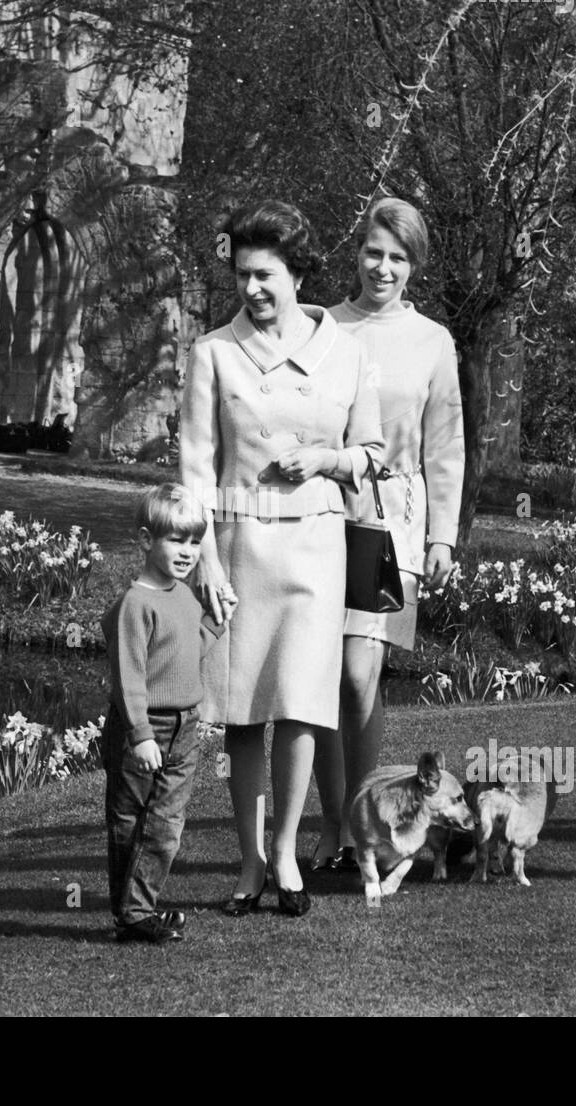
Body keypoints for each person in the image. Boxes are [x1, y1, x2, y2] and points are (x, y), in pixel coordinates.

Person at [179, 199, 384, 917]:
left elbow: (375, 455)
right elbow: (195, 470)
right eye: (241, 276)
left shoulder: (346, 352)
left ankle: (290, 855)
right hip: (237, 547)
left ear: (298, 271)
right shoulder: (212, 353)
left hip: (315, 549)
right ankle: (249, 864)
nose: (252, 290)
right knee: (242, 715)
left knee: (299, 706)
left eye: (265, 275)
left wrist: (327, 459)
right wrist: (202, 557)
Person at [311, 197, 464, 871]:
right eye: (374, 252)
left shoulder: (432, 342)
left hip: (393, 522)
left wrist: (442, 536)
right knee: (316, 677)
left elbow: (446, 447)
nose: (383, 267)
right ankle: (333, 828)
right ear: (359, 253)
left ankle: (360, 821)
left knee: (358, 674)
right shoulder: (321, 327)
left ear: (414, 265)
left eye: (397, 257)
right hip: (321, 515)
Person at [100, 483, 224, 945]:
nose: (188, 551)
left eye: (194, 541)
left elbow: (190, 654)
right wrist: (140, 734)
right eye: (176, 540)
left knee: (167, 823)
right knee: (131, 818)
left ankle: (138, 909)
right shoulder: (137, 603)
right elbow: (129, 676)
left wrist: (217, 621)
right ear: (146, 540)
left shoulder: (184, 595)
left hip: (185, 726)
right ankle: (134, 914)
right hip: (145, 727)